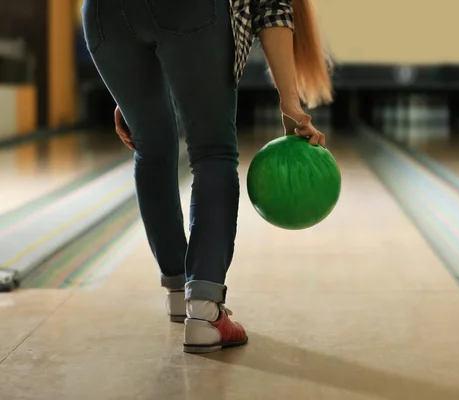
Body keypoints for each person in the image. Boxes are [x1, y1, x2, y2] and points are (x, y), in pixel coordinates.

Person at [81, 0, 333, 354]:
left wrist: (136, 92)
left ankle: (176, 292)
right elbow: (273, 8)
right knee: (213, 152)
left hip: (104, 13)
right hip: (189, 12)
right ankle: (204, 311)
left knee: (150, 148)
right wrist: (290, 103)